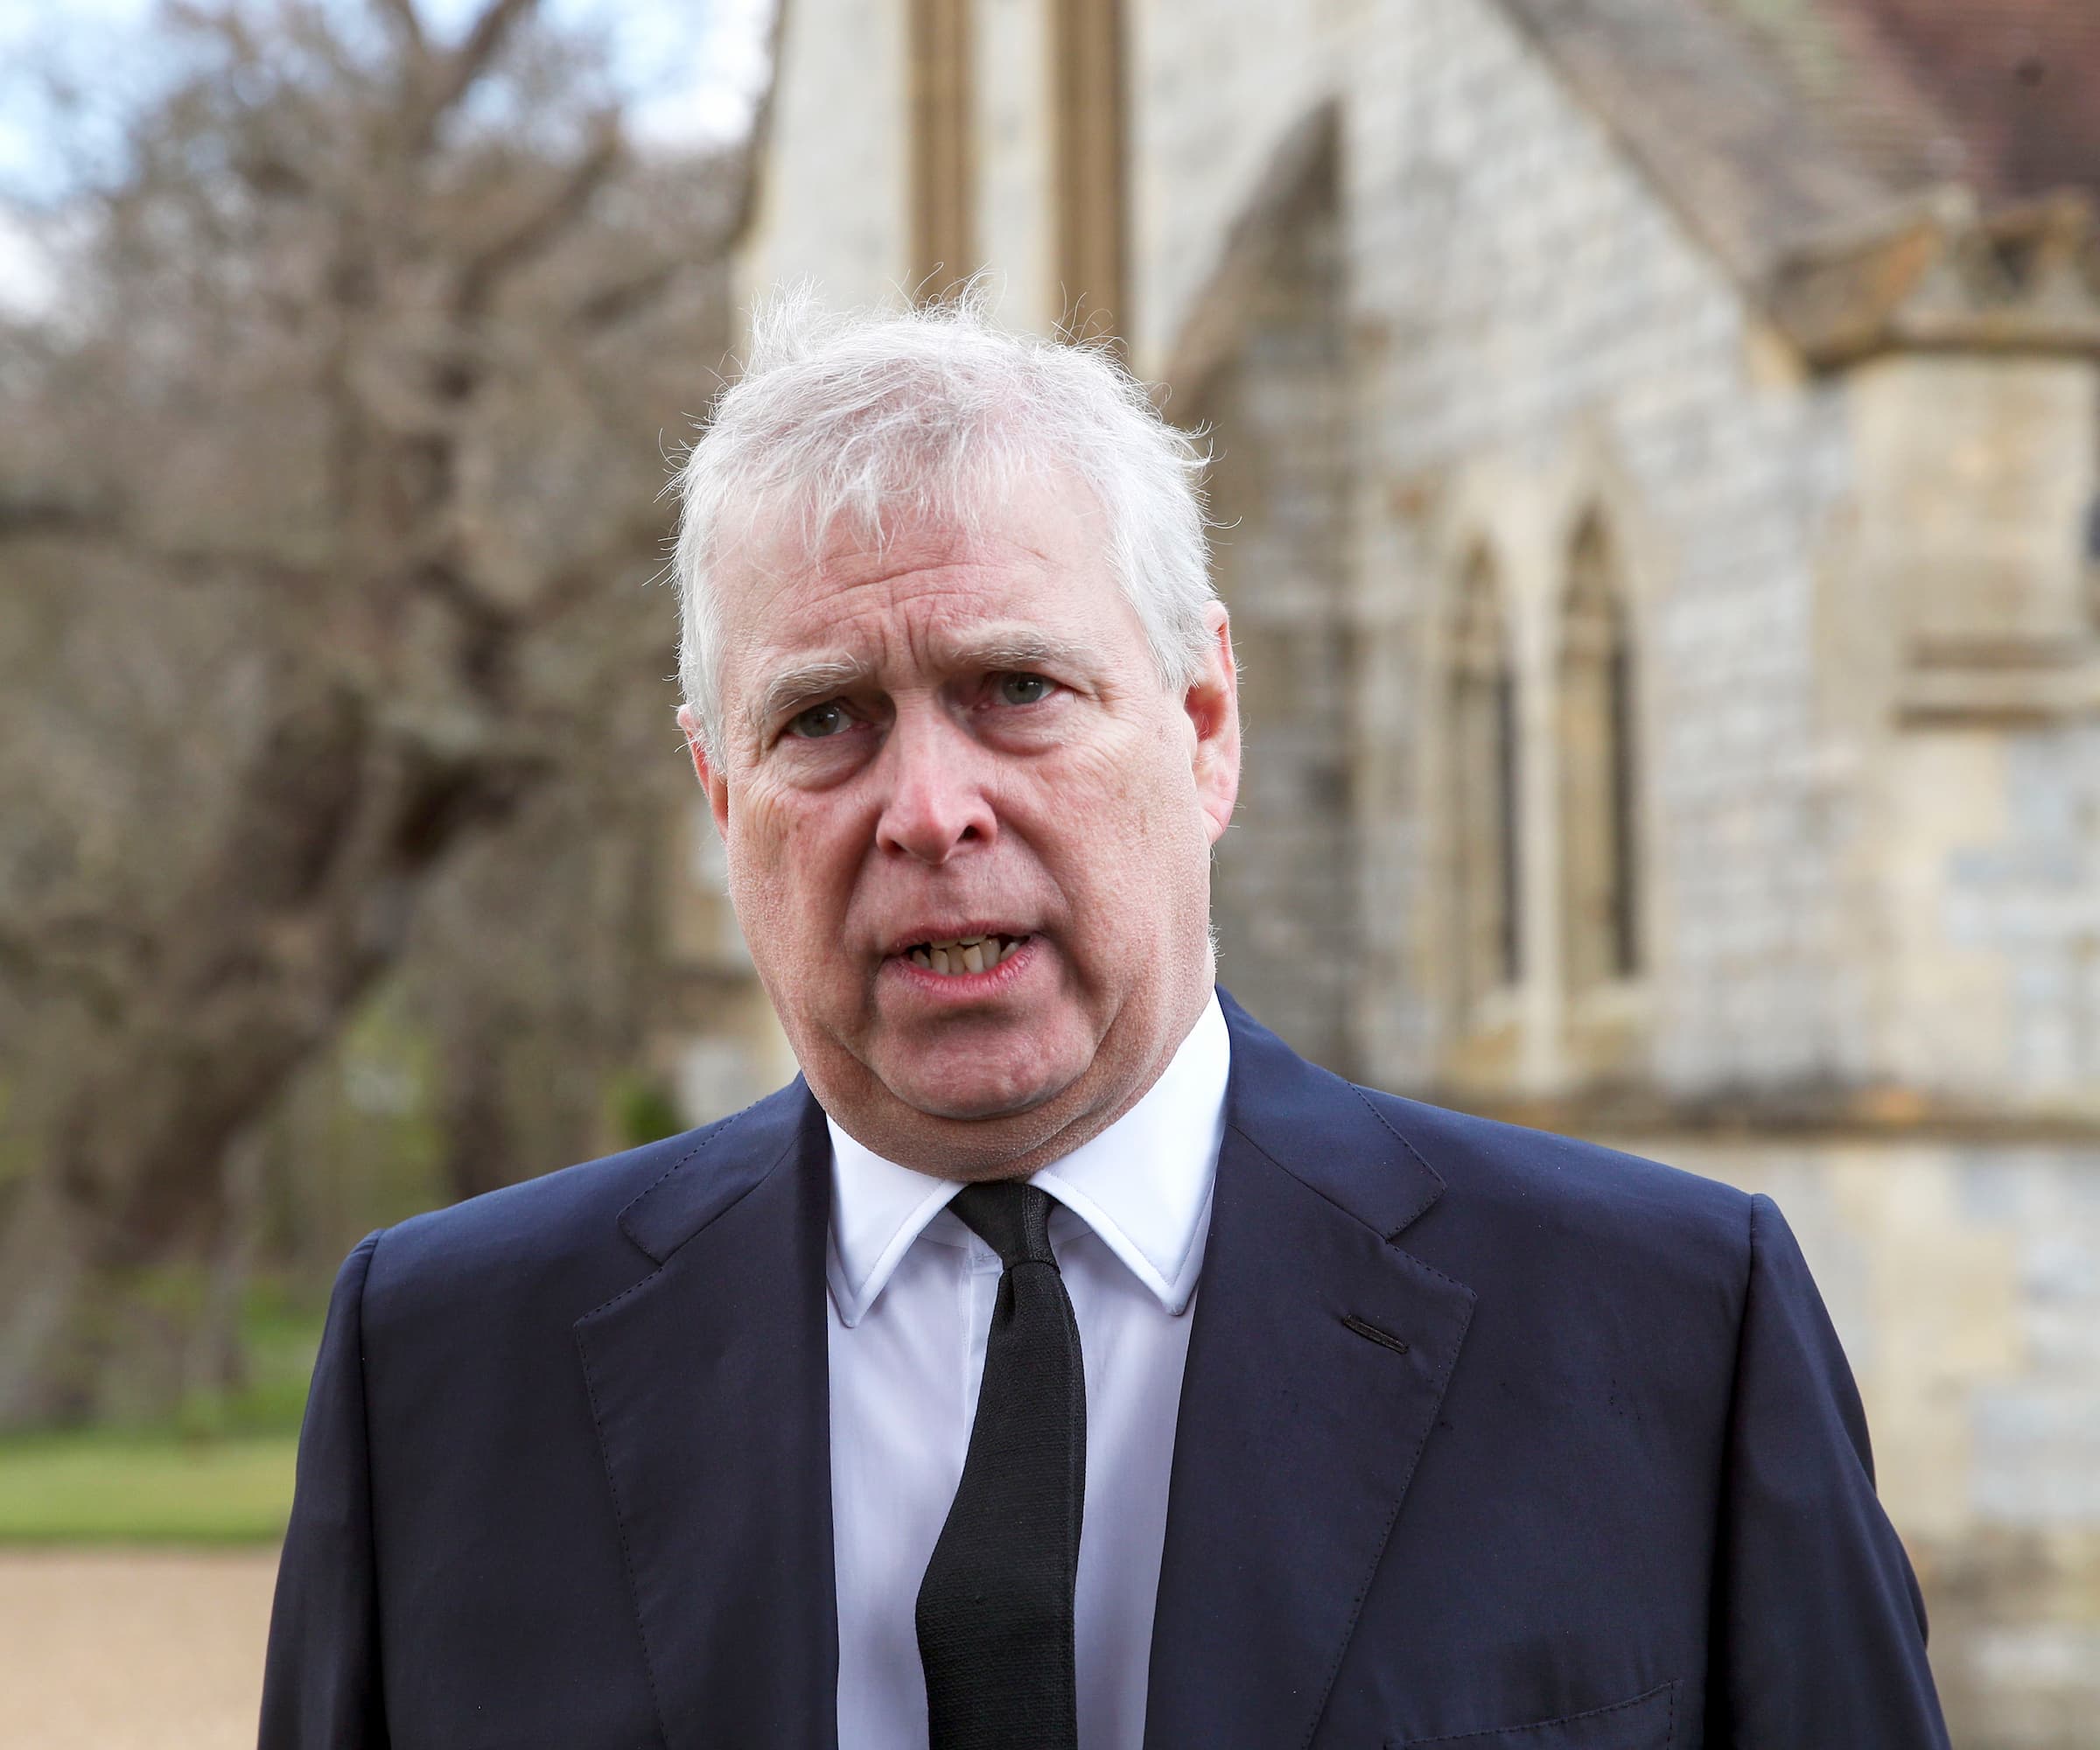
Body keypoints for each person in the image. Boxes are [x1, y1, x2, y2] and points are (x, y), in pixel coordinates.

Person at [259, 297, 1950, 1750]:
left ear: (1205, 725)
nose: (930, 810)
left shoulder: (1665, 1331)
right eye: (826, 719)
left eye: (1017, 690)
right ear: (722, 794)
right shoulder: (445, 1373)